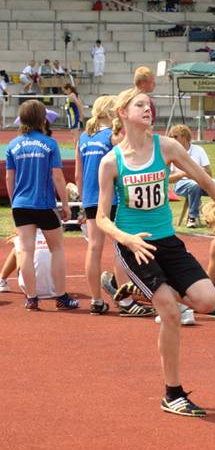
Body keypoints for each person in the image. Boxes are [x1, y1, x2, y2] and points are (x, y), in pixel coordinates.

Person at [96, 87, 215, 417]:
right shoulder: (112, 162)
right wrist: (128, 238)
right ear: (123, 112)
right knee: (171, 312)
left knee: (207, 301)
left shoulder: (167, 147)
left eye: (149, 105)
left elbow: (205, 182)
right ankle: (173, 393)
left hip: (168, 242)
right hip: (135, 246)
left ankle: (141, 289)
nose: (148, 109)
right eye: (140, 105)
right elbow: (101, 218)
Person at [5, 100, 79, 311]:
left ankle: (31, 298)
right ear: (42, 118)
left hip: (21, 205)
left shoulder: (13, 144)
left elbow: (10, 177)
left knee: (26, 252)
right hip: (44, 204)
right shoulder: (49, 144)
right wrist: (66, 204)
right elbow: (57, 176)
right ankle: (61, 297)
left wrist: (14, 203)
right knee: (57, 249)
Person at [76, 95, 145, 316]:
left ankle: (96, 300)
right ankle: (124, 302)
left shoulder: (84, 137)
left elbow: (78, 174)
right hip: (112, 199)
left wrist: (82, 201)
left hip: (89, 199)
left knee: (94, 248)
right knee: (121, 249)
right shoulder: (113, 137)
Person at [167, 124, 215, 229]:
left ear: (184, 138)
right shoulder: (171, 153)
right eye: (171, 137)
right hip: (181, 184)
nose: (172, 139)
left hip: (201, 181)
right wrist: (183, 174)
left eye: (175, 137)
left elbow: (208, 173)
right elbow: (167, 179)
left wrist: (196, 174)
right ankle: (192, 216)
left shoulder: (199, 150)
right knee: (194, 185)